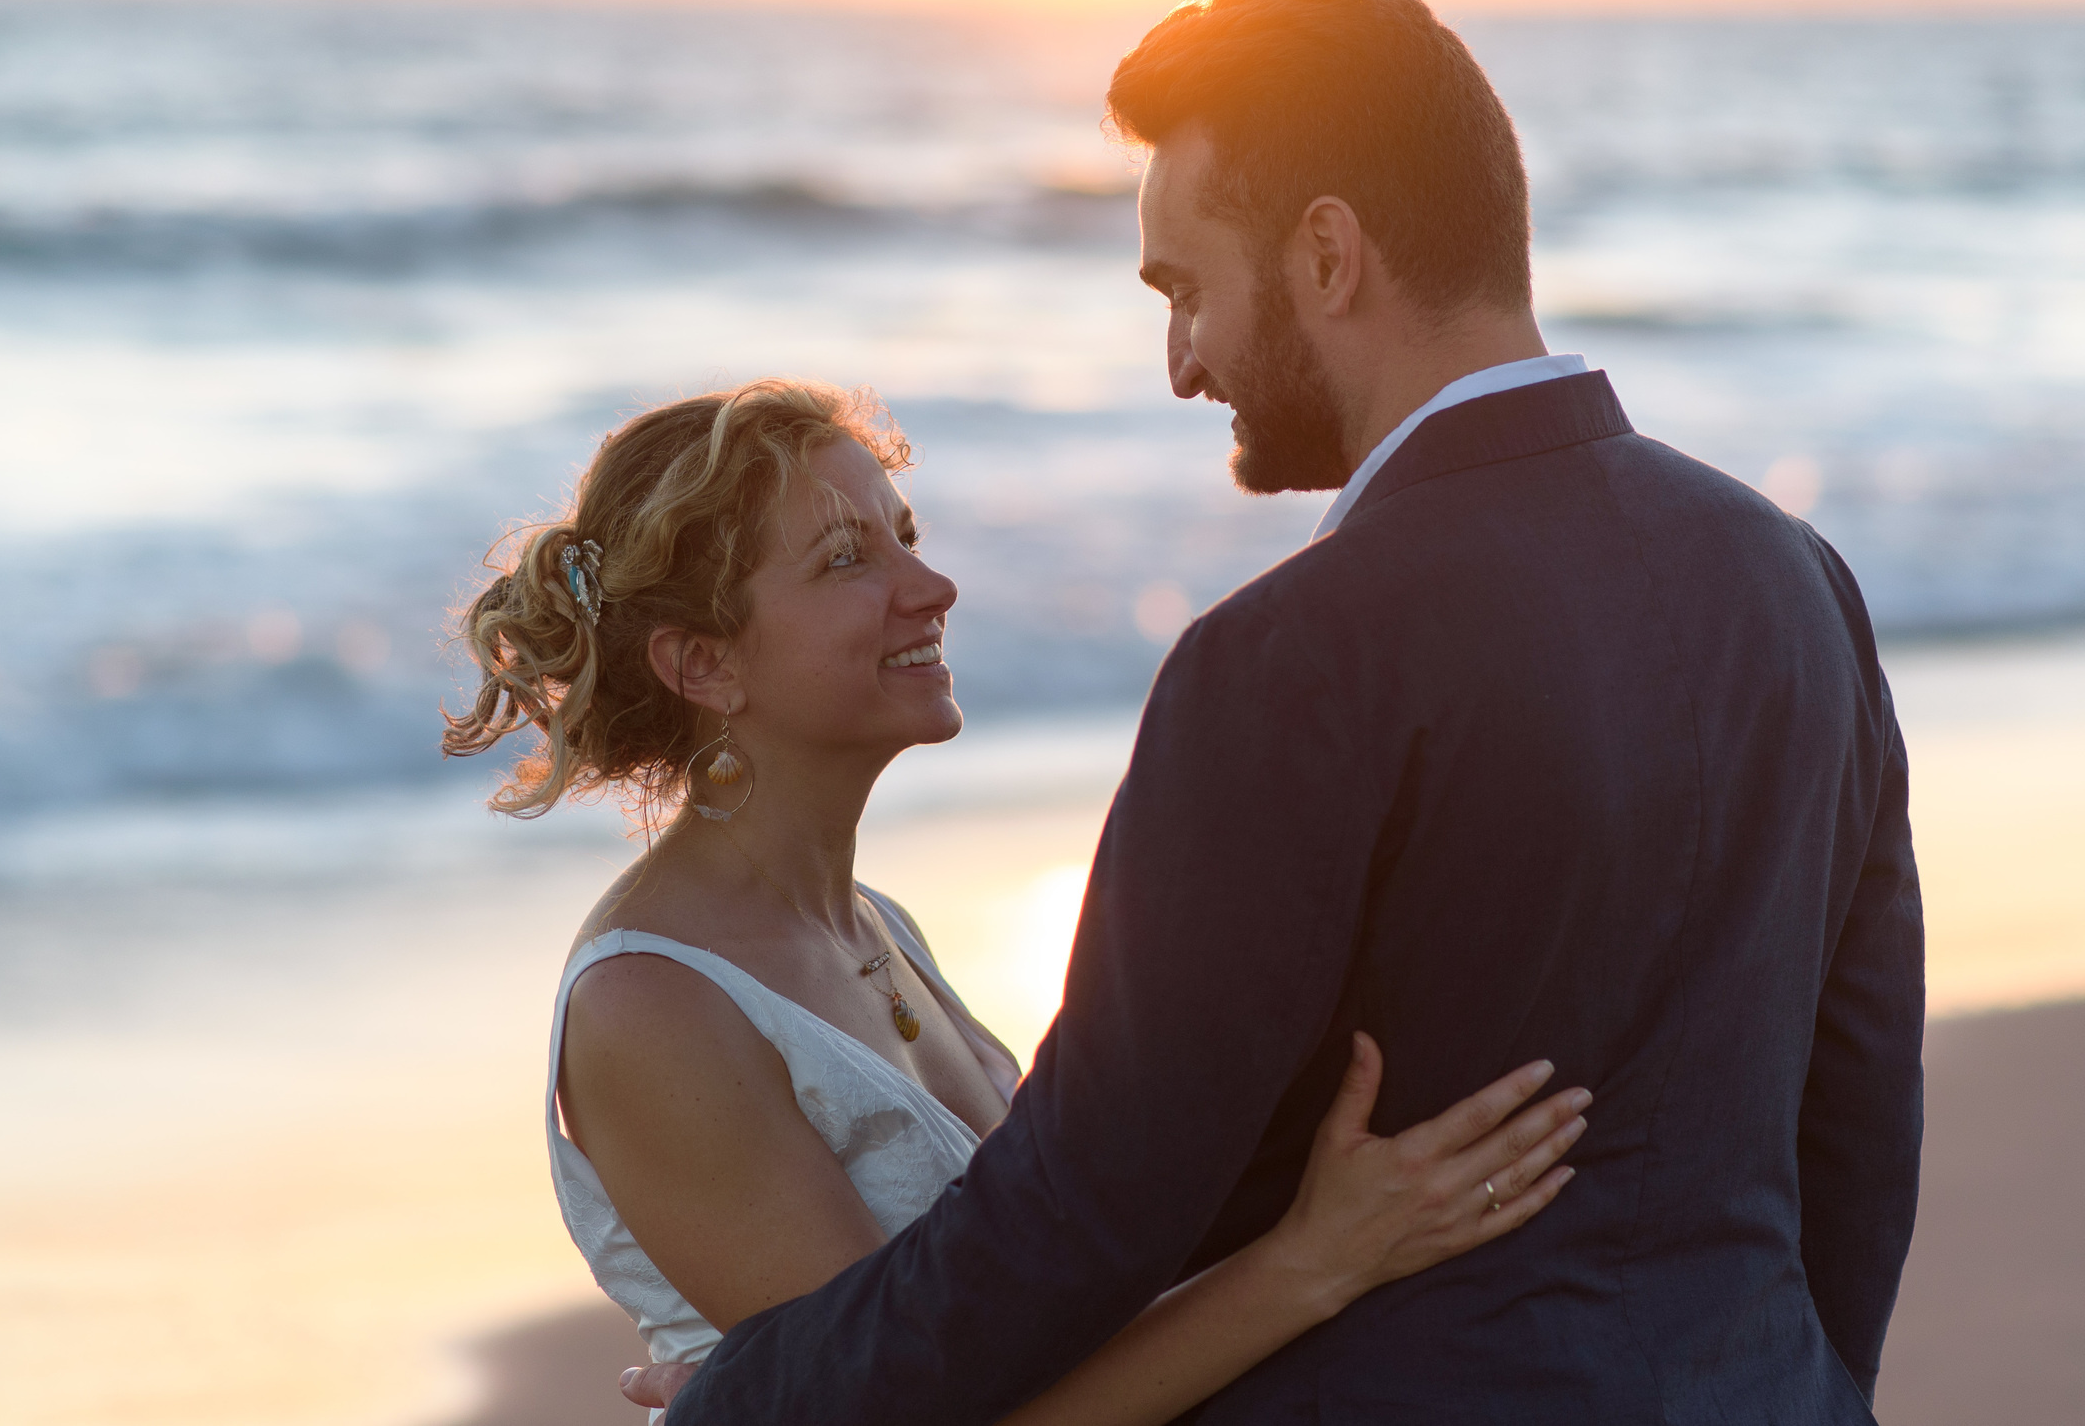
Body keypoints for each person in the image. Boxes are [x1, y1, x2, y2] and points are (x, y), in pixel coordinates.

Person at [641, 0, 1924, 1424]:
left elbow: (1085, 1211)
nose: (1182, 360)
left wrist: (750, 1397)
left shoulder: (1287, 660)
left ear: (1327, 255)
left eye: (1187, 290)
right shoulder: (1794, 577)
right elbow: (1860, 1115)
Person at [446, 379, 1591, 1424]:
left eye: (906, 536)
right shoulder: (653, 1007)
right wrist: (1313, 1259)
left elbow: (1016, 1325)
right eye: (848, 559)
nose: (931, 587)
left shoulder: (874, 925)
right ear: (703, 664)